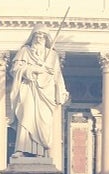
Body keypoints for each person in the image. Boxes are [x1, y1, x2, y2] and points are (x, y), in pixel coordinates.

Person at [10, 23, 70, 158]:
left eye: (42, 35)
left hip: (46, 91)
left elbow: (57, 75)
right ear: (32, 37)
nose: (39, 38)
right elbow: (15, 69)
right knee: (26, 116)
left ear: (46, 38)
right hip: (28, 88)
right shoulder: (24, 52)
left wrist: (61, 90)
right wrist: (32, 69)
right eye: (37, 35)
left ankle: (41, 152)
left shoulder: (52, 55)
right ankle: (20, 149)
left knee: (43, 122)